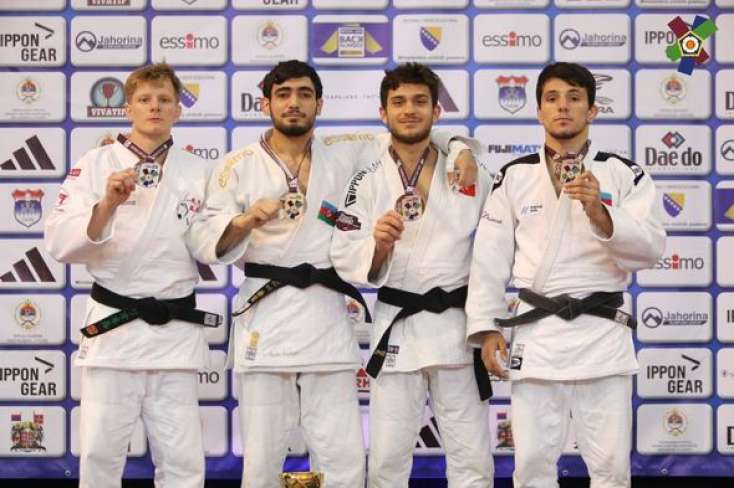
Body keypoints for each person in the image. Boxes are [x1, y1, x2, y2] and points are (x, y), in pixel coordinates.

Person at [185, 59, 478, 488]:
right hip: (266, 316)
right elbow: (202, 240)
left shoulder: (344, 151)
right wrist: (245, 221)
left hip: (326, 315)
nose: (294, 103)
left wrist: (461, 147)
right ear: (265, 103)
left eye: (304, 94)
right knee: (263, 458)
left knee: (342, 458)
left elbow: (410, 132)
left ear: (319, 104)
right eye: (283, 95)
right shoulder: (237, 165)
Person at [466, 62, 666, 488]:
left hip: (602, 336)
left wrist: (601, 211)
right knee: (532, 465)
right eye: (552, 98)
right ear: (538, 110)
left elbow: (651, 249)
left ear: (592, 110)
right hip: (539, 338)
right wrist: (487, 327)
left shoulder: (622, 173)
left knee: (611, 467)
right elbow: (488, 258)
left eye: (574, 98)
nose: (562, 107)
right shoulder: (514, 176)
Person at [44, 63, 219, 488]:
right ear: (128, 109)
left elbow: (212, 242)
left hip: (173, 332)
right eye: (144, 99)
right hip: (114, 330)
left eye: (164, 100)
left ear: (178, 110)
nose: (154, 107)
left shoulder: (198, 170)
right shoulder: (96, 163)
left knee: (182, 459)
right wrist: (107, 204)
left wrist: (244, 224)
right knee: (101, 454)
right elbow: (60, 241)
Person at [330, 63, 494, 488]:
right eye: (398, 102)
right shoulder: (364, 179)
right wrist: (379, 245)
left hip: (457, 327)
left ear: (436, 111)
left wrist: (461, 147)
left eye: (420, 101)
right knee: (387, 460)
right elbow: (344, 252)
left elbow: (498, 244)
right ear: (382, 112)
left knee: (472, 458)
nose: (409, 110)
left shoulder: (468, 171)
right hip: (398, 326)